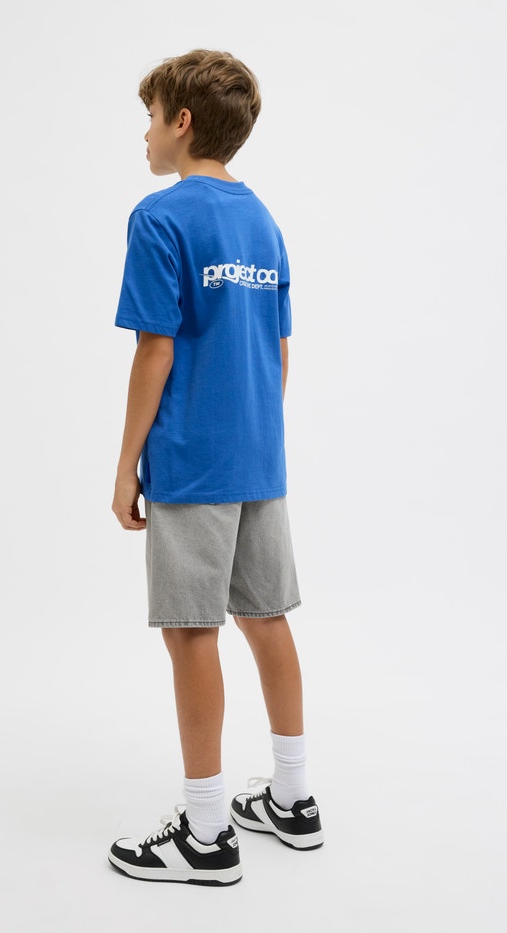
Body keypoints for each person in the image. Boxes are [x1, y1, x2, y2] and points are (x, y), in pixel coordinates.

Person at [108, 49, 323, 886]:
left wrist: (127, 463)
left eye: (151, 117)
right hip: (259, 456)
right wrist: (258, 437)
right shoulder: (263, 220)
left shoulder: (159, 217)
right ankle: (293, 799)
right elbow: (279, 349)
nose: (146, 134)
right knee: (267, 617)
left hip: (192, 459)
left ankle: (205, 832)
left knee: (193, 629)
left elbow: (154, 350)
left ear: (183, 121)